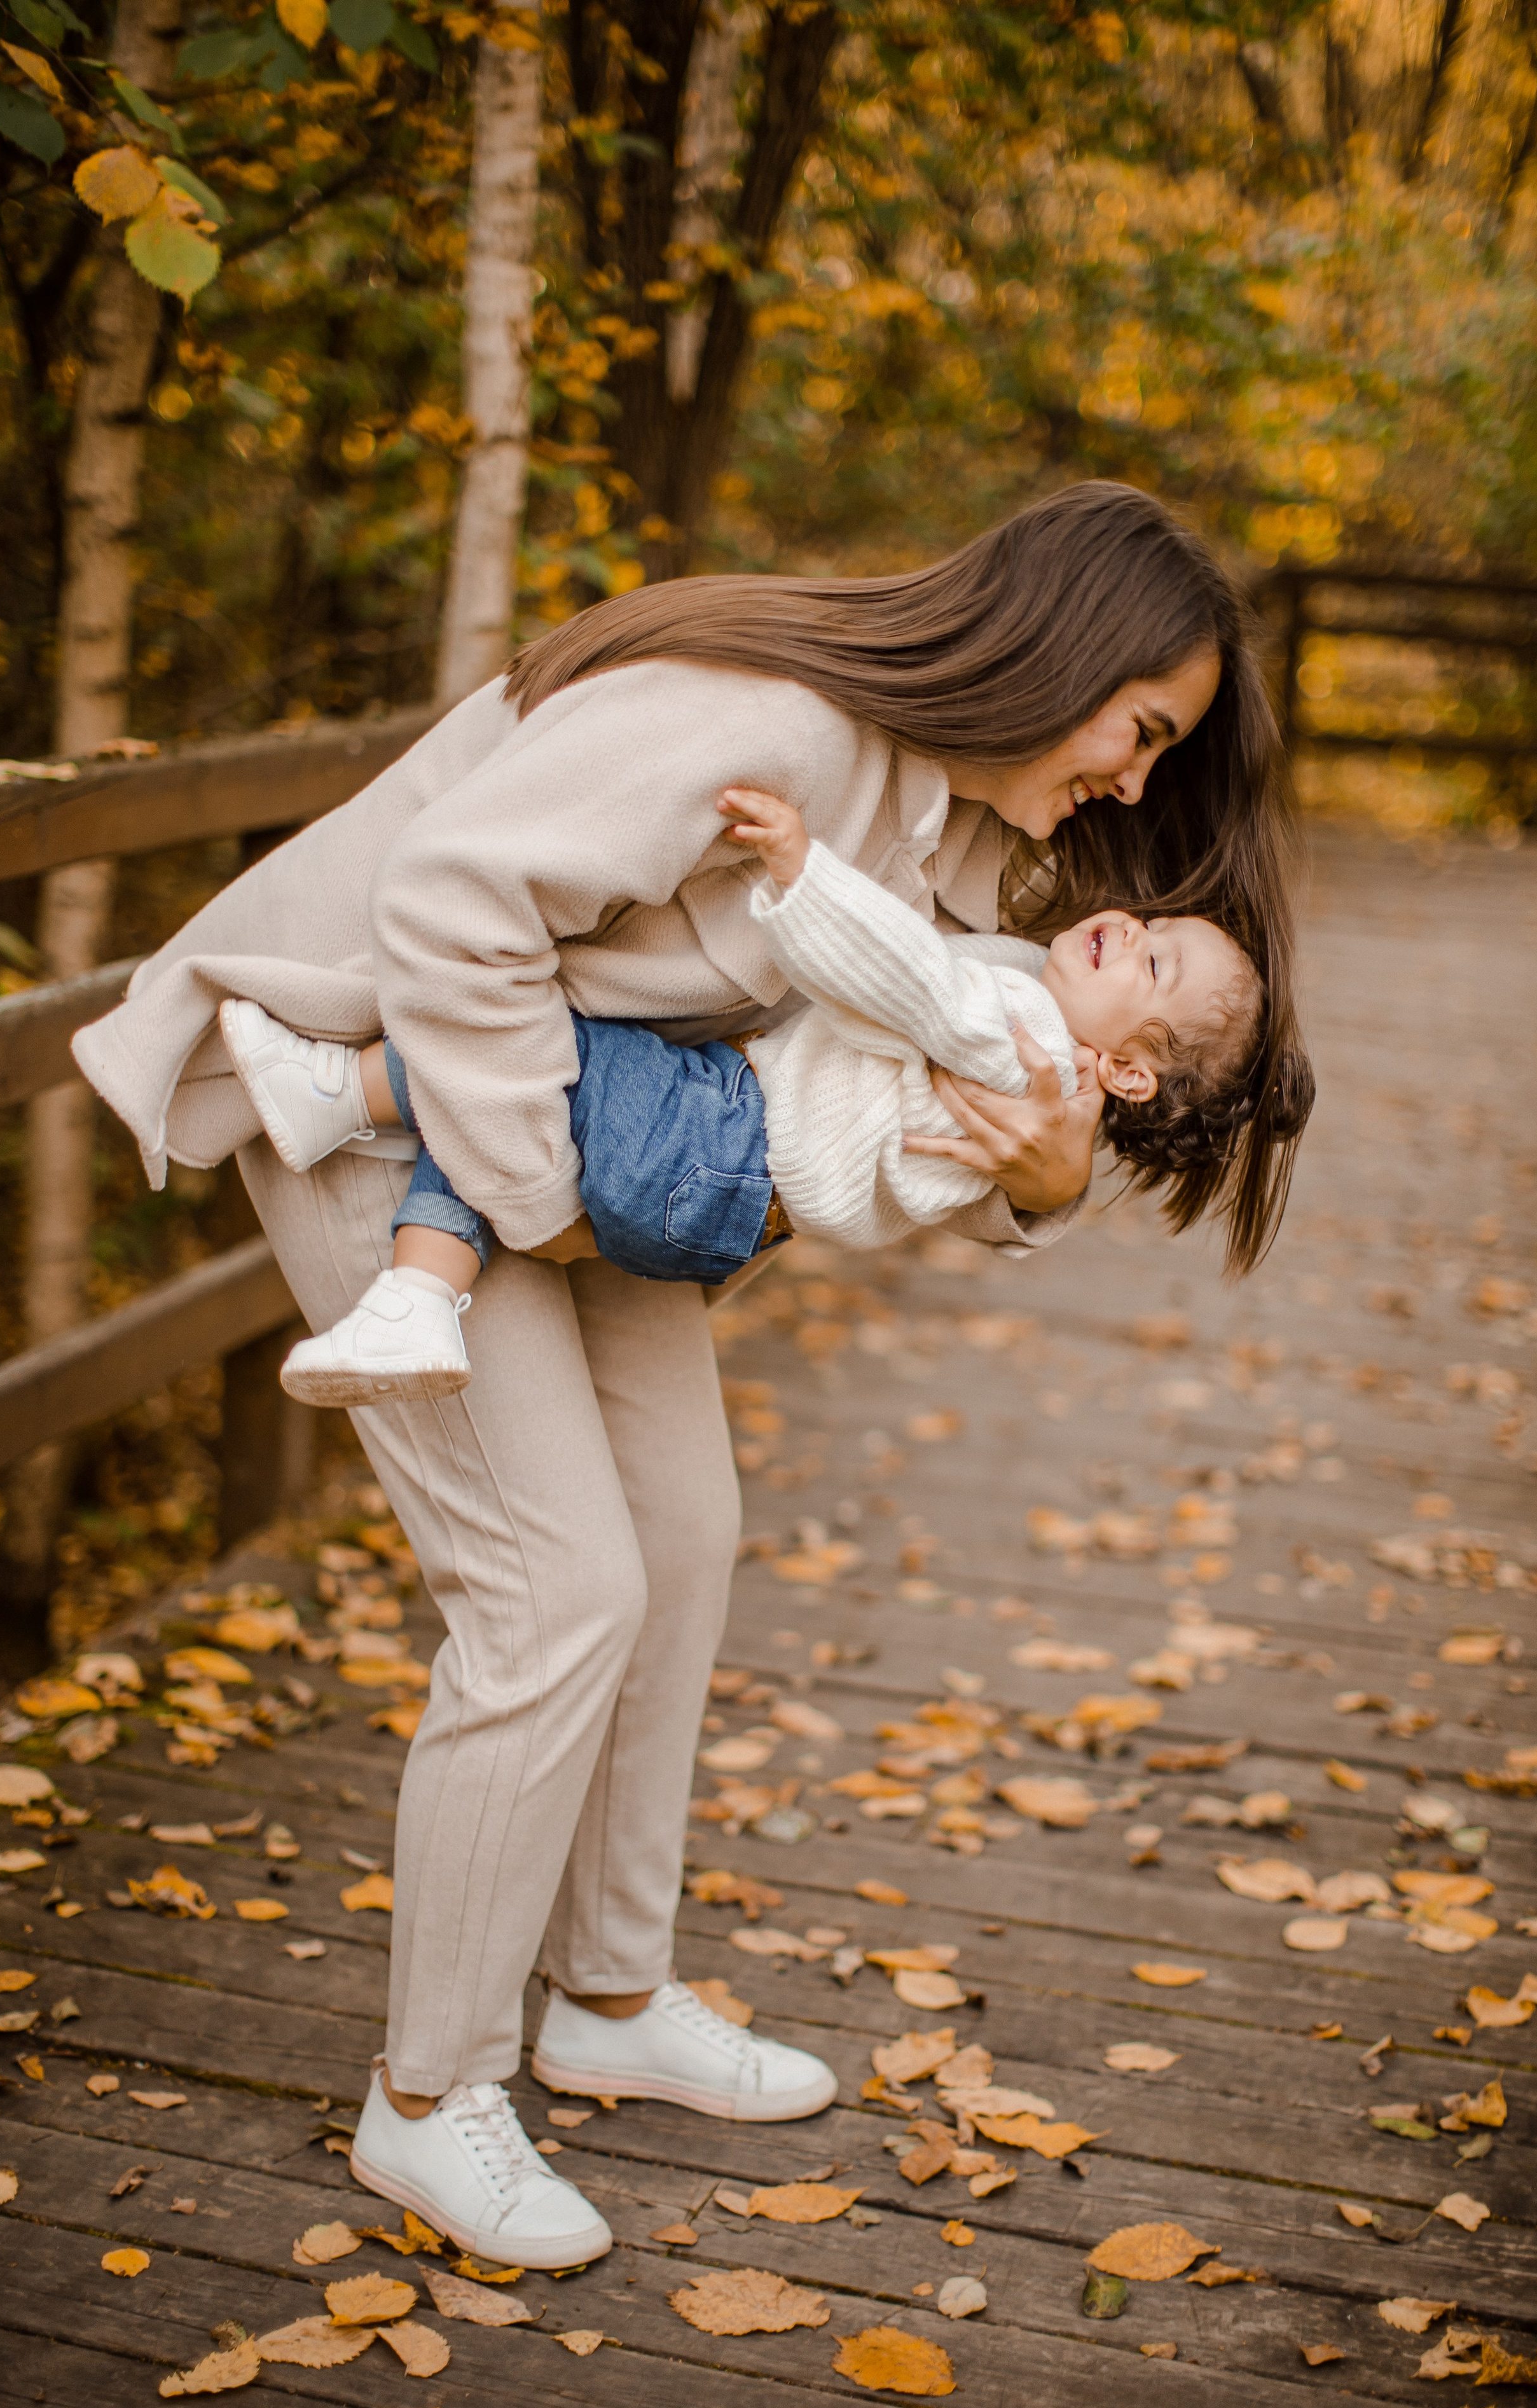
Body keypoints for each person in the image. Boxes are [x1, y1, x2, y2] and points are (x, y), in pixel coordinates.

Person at [73, 481, 1307, 2273]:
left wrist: (1044, 1190)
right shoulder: (769, 721)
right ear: (1062, 656)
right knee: (555, 1591)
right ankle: (429, 2095)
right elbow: (452, 900)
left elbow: (915, 1084)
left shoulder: (936, 813)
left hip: (559, 1142)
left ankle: (607, 1995)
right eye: (1140, 730)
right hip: (378, 1098)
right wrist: (545, 1202)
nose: (1132, 785)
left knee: (680, 1533)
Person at [218, 781, 1295, 1407]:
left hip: (722, 1138)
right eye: (1154, 925)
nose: (1131, 931)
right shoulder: (1044, 1050)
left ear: (1129, 1073)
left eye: (1154, 964)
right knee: (520, 1097)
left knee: (521, 1046)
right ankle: (416, 1297)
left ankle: (342, 1096)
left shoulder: (1023, 1039)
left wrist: (800, 871)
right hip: (726, 1205)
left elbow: (908, 978)